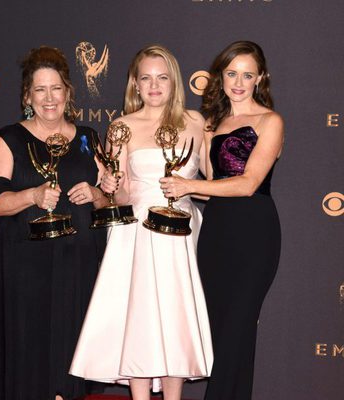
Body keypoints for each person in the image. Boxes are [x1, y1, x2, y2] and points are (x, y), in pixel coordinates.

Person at [69, 44, 213, 400]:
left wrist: (188, 187)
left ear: (174, 82)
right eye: (146, 78)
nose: (154, 85)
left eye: (162, 77)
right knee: (139, 317)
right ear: (135, 84)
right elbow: (121, 196)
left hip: (180, 232)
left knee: (174, 318)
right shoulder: (121, 127)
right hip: (135, 231)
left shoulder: (196, 122)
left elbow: (211, 188)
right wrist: (109, 185)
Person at [0, 46, 108, 400]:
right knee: (30, 357)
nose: (49, 98)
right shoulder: (8, 140)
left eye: (56, 88)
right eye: (40, 89)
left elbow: (109, 202)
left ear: (68, 93)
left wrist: (96, 193)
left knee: (70, 355)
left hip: (79, 264)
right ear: (27, 95)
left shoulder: (88, 138)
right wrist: (32, 196)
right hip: (26, 268)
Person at [160, 41, 284, 400]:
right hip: (217, 231)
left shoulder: (270, 121)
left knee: (238, 330)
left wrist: (188, 184)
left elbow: (247, 184)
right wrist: (174, 187)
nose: (239, 82)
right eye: (232, 73)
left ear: (261, 78)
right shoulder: (213, 123)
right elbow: (211, 188)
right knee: (218, 332)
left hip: (255, 232)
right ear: (221, 76)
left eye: (247, 74)